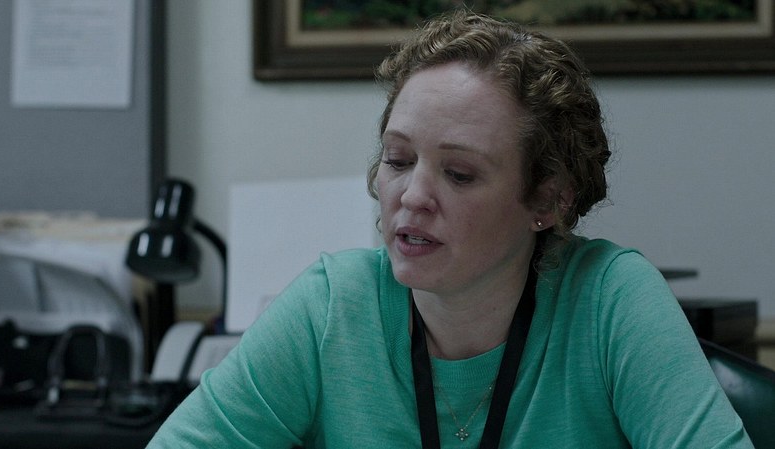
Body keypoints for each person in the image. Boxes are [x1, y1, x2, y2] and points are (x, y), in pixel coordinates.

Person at [147, 10, 752, 448]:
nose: (412, 196)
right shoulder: (332, 306)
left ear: (548, 199)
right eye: (398, 159)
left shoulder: (610, 300)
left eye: (459, 174)